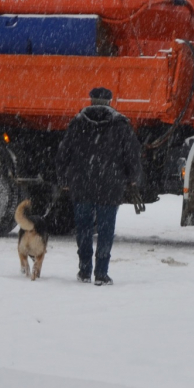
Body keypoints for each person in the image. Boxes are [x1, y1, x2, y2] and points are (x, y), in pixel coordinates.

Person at [56, 87, 142, 285]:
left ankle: (85, 270)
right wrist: (133, 178)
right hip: (110, 186)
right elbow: (132, 154)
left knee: (84, 230)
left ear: (91, 100)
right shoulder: (120, 124)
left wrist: (63, 179)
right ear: (110, 101)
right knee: (105, 231)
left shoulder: (78, 122)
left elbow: (63, 153)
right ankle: (101, 274)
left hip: (82, 185)